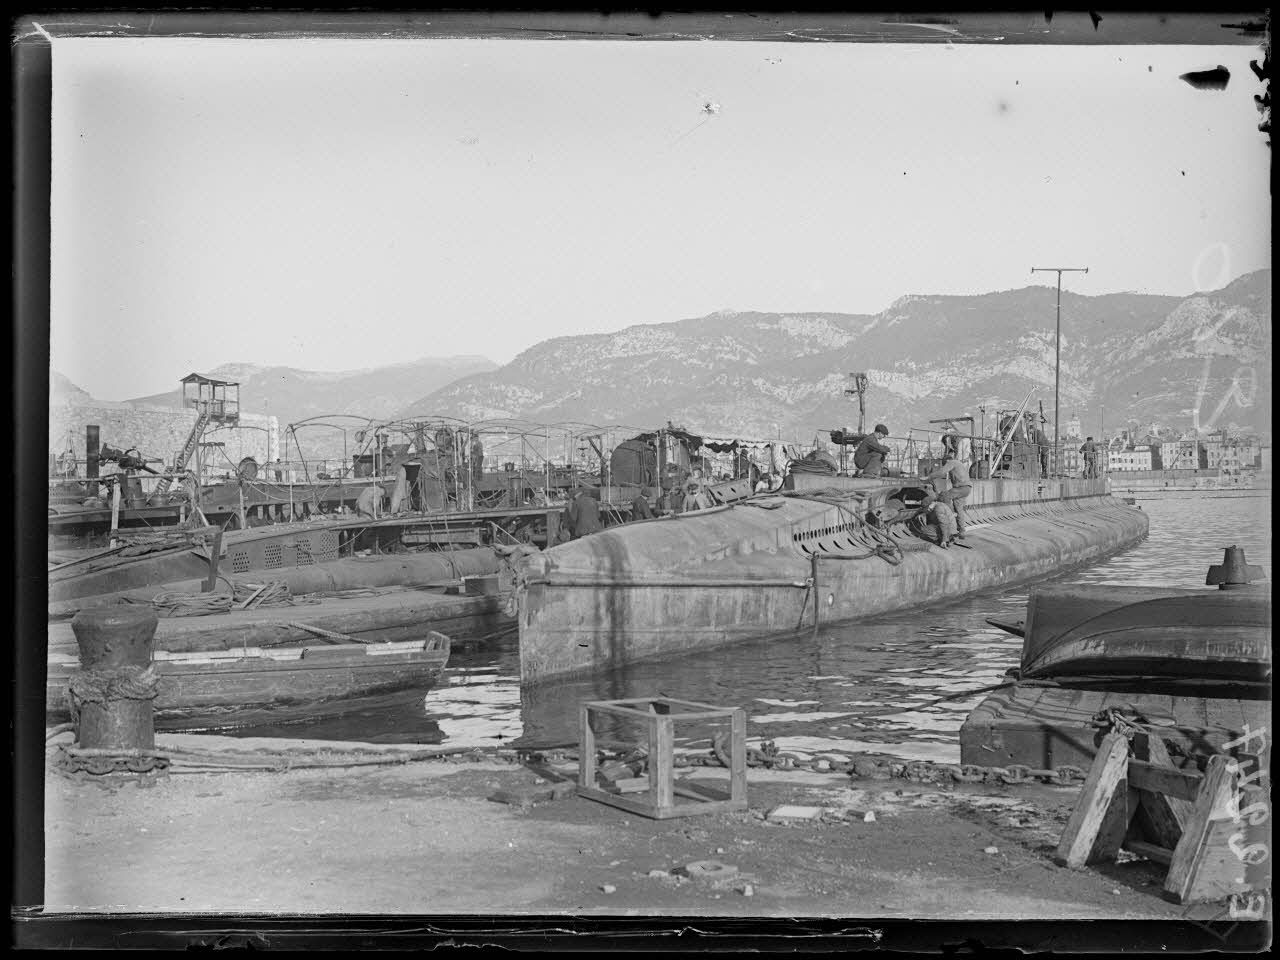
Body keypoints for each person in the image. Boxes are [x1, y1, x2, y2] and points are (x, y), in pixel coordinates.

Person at [924, 454, 972, 544]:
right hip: (967, 488)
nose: (945, 466)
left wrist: (929, 477)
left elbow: (942, 472)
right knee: (959, 509)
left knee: (944, 496)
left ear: (946, 461)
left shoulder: (951, 462)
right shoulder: (959, 463)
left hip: (960, 488)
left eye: (944, 464)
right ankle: (961, 531)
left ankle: (948, 523)